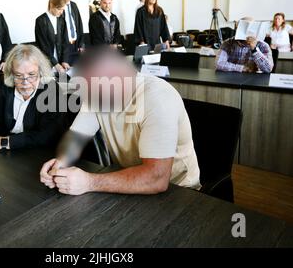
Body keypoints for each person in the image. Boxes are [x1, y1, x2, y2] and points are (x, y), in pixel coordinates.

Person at [40, 47, 201, 195]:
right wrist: (60, 164)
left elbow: (156, 178)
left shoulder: (157, 98)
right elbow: (76, 137)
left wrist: (89, 182)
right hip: (130, 182)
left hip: (180, 191)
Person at [0, 44, 70, 155]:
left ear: (41, 72)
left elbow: (47, 136)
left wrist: (0, 142)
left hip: (39, 155)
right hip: (7, 154)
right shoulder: (2, 86)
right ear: (11, 73)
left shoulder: (54, 91)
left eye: (32, 74)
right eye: (18, 75)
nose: (25, 82)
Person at [35, 0, 70, 74]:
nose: (61, 12)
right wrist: (55, 64)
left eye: (63, 10)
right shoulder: (40, 21)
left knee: (63, 85)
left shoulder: (61, 20)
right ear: (52, 5)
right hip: (46, 61)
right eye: (59, 9)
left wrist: (64, 60)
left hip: (60, 60)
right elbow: (43, 45)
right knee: (50, 85)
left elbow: (65, 41)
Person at [59, 0, 85, 65]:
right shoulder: (57, 7)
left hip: (76, 45)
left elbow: (79, 25)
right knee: (63, 76)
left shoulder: (74, 5)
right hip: (63, 47)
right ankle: (63, 78)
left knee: (77, 74)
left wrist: (81, 44)